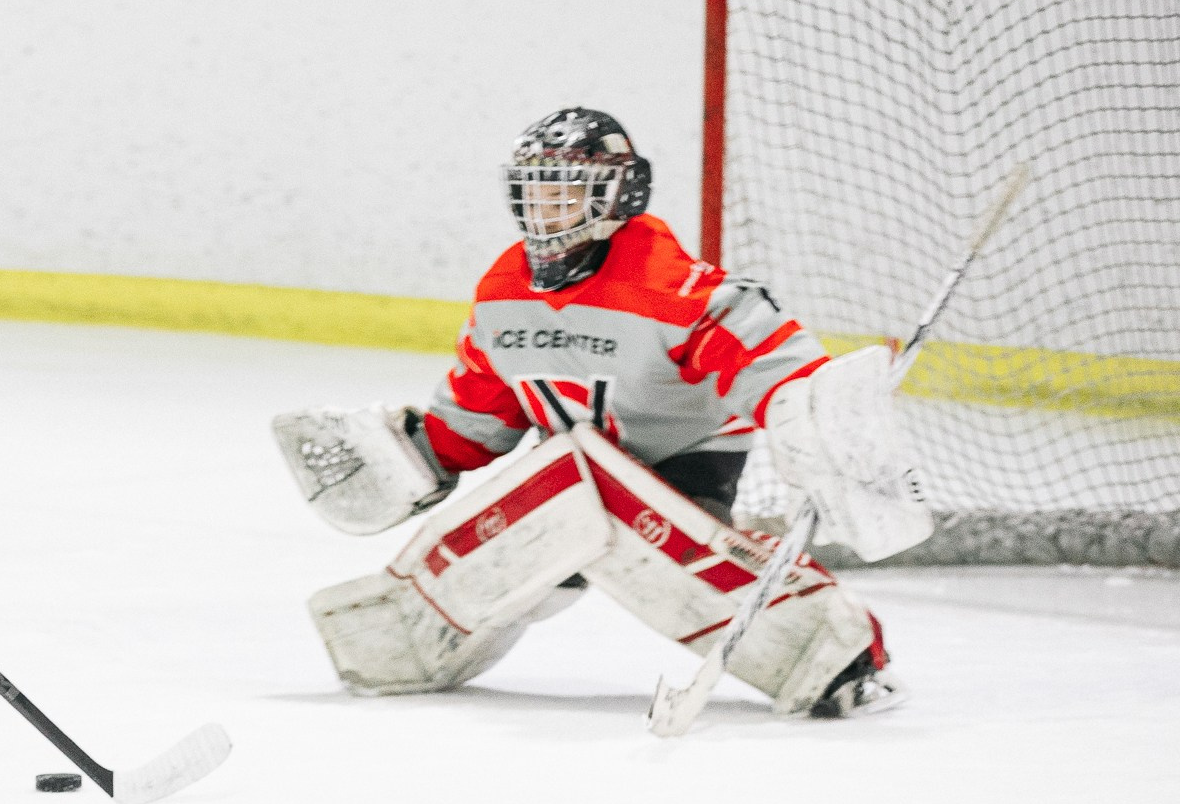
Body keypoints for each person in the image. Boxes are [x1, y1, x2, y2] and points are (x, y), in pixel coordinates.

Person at [272, 107, 924, 718]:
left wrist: (816, 416)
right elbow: (482, 406)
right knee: (517, 538)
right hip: (567, 476)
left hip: (681, 464)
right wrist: (417, 453)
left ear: (621, 196)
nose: (546, 208)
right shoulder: (503, 293)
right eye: (535, 191)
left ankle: (842, 659)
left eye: (567, 192)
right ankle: (409, 642)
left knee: (656, 554)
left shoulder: (671, 287)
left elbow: (769, 361)